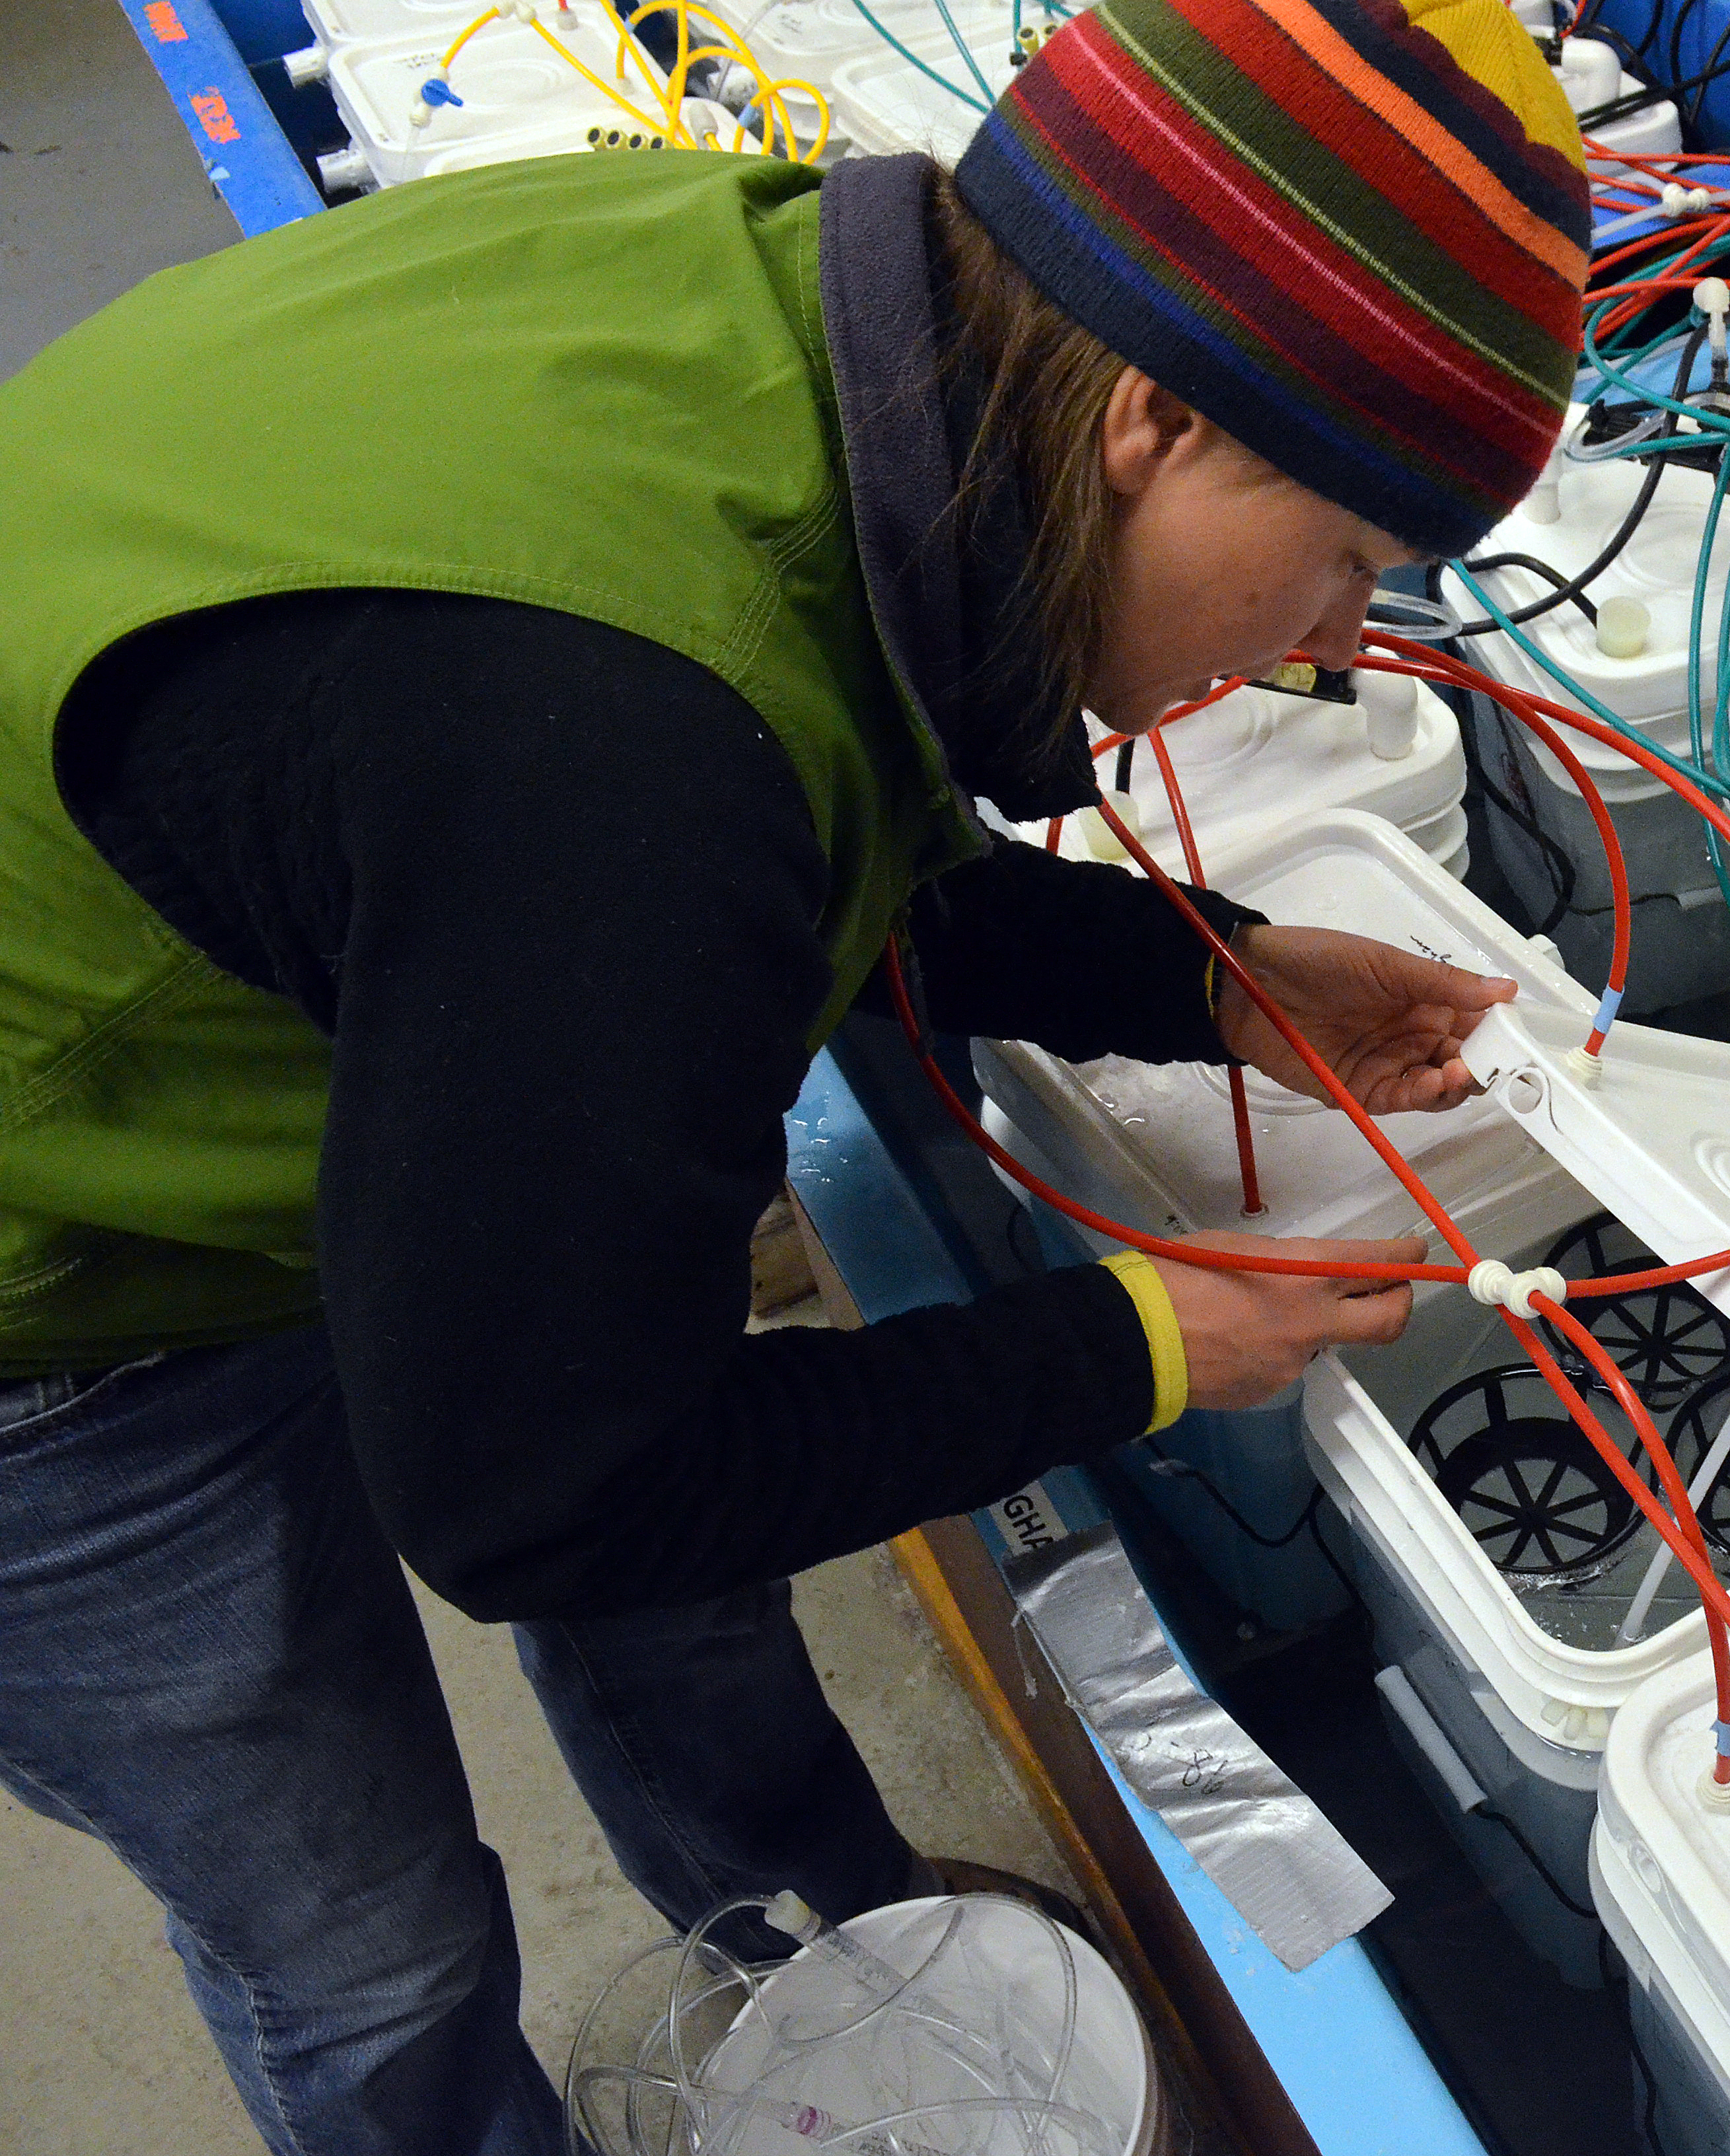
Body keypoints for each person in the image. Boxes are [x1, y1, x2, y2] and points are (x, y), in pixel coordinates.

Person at [0, 0, 1589, 2141]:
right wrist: (1133, 1342)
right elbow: (533, 1492)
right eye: (1352, 555)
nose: (1327, 645)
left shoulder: (814, 319)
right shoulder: (622, 761)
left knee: (684, 1566)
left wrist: (1200, 975)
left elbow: (809, 812)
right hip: (55, 1280)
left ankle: (830, 1947)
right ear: (1153, 424)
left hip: (334, 997)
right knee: (361, 1924)